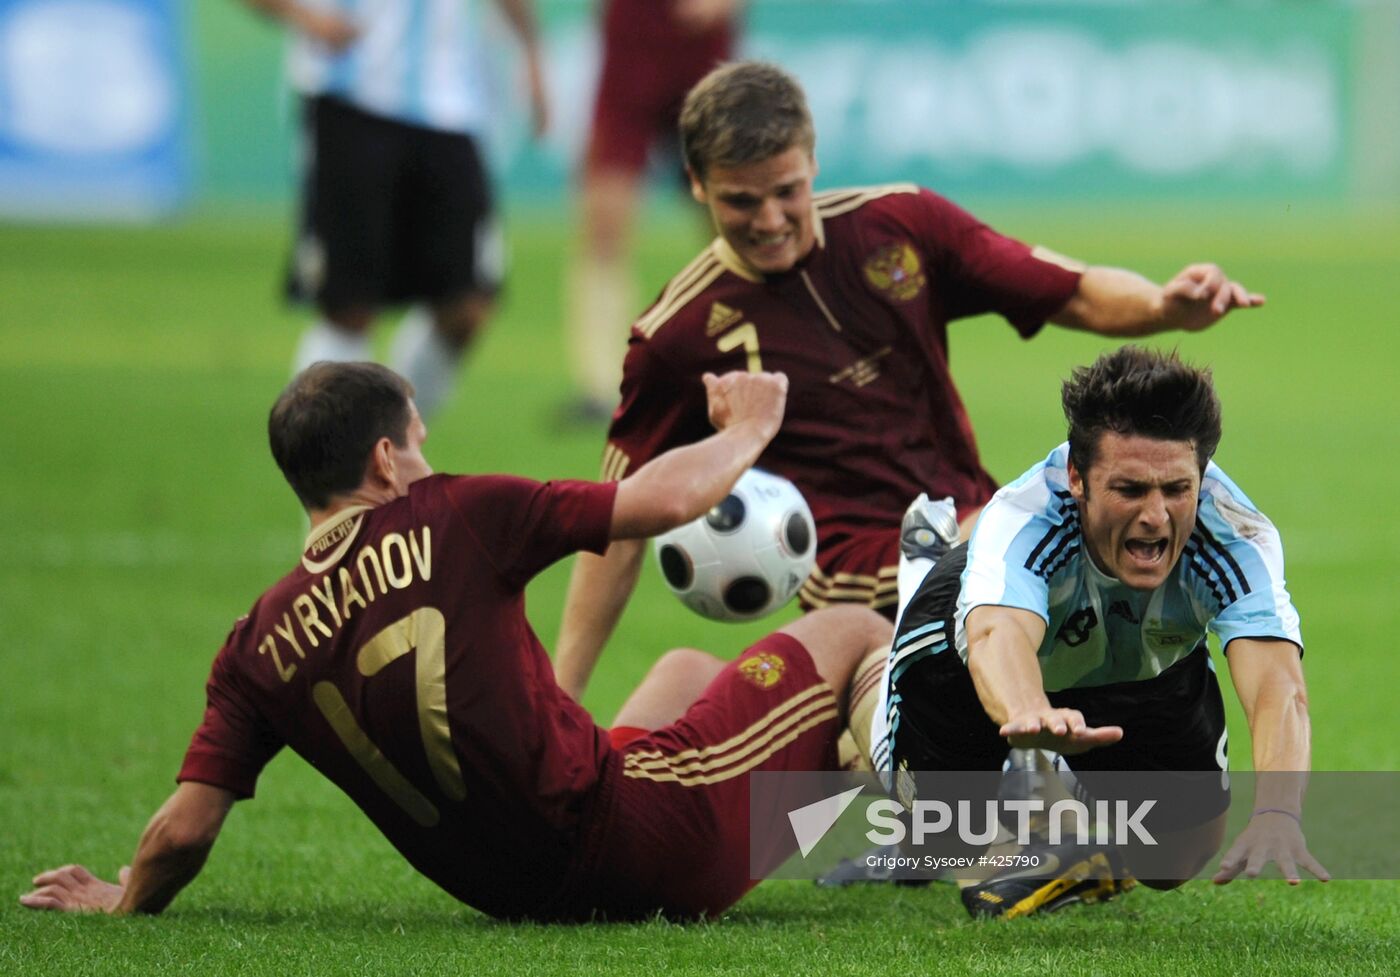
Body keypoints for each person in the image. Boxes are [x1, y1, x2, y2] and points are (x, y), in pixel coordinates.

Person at [18, 362, 892, 921]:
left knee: (686, 669)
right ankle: (956, 821)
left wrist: (124, 898)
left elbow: (182, 832)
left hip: (523, 892)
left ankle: (867, 822)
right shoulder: (454, 514)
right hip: (635, 845)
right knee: (855, 626)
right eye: (422, 444)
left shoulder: (255, 644)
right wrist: (749, 427)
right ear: (388, 458)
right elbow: (662, 503)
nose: (429, 462)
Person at [554, 60, 1265, 701]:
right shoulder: (677, 335)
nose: (770, 220)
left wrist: (1162, 305)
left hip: (976, 522)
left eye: (787, 191)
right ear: (698, 185)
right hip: (859, 576)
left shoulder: (899, 225)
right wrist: (563, 687)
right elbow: (617, 520)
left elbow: (1067, 287)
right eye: (742, 202)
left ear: (813, 163)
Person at [869, 345, 1327, 918]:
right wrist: (1031, 712)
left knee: (1173, 859)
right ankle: (907, 597)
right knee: (937, 842)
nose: (1156, 515)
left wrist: (1278, 813)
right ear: (1077, 479)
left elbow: (1278, 686)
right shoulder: (1025, 519)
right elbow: (997, 637)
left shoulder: (1235, 536)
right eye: (1130, 490)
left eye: (1176, 490)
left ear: (1201, 477)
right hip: (970, 651)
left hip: (1139, 659)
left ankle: (1066, 816)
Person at [240, 0, 549, 418]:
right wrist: (308, 18)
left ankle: (391, 436)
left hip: (450, 109)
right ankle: (320, 458)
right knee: (350, 305)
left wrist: (531, 52)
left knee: (469, 302)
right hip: (350, 98)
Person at [562, 0, 745, 423]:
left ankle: (760, 351)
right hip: (631, 40)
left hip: (698, 48)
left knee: (731, 216)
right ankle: (600, 384)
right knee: (604, 219)